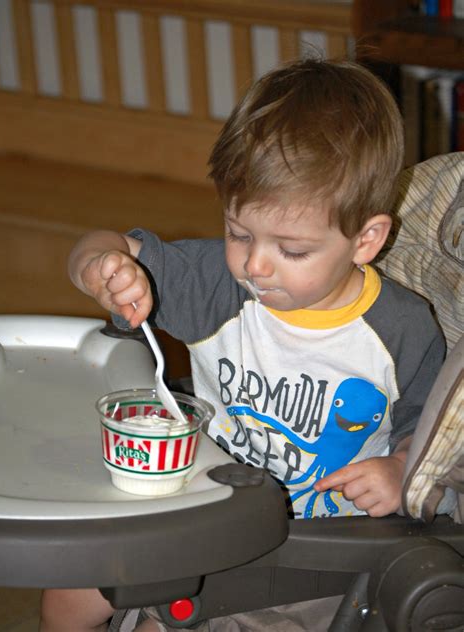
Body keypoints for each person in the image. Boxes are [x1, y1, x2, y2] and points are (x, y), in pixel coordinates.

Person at [40, 57, 445, 632]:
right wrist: (101, 268)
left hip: (315, 552)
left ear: (366, 239)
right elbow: (109, 244)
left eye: (292, 250)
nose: (255, 264)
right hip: (201, 508)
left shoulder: (401, 329)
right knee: (69, 588)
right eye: (238, 232)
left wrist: (399, 468)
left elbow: (430, 435)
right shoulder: (218, 285)